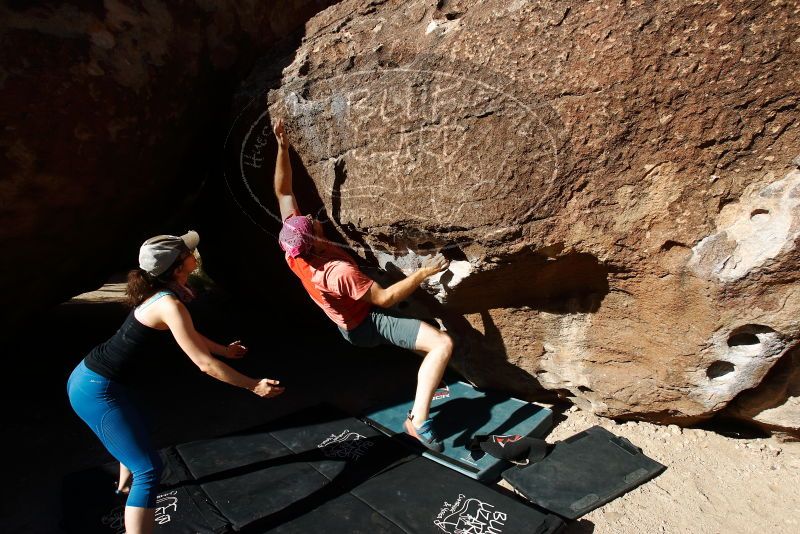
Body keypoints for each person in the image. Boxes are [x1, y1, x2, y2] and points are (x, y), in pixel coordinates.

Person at [67, 231, 284, 534]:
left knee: (134, 442)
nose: (194, 253)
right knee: (150, 470)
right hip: (96, 390)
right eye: (188, 252)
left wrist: (226, 350)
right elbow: (204, 365)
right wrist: (254, 385)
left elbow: (190, 335)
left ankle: (123, 490)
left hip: (94, 380)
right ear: (179, 265)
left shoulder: (161, 294)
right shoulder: (169, 303)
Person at [271, 118, 453, 452]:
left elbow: (283, 191)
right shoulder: (337, 271)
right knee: (441, 344)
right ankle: (419, 421)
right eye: (310, 222)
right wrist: (423, 274)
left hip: (349, 319)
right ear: (314, 237)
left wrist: (282, 148)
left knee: (420, 338)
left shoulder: (295, 250)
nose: (310, 218)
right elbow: (384, 298)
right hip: (366, 323)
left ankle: (431, 379)